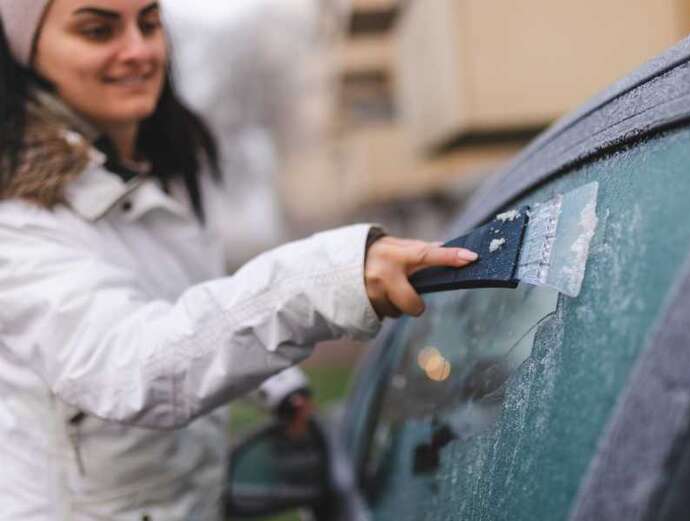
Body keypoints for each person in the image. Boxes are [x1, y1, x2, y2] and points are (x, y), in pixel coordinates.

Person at [0, 0, 479, 519]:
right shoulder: (16, 222)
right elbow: (133, 366)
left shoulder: (148, 178)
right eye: (98, 30)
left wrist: (276, 385)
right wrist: (326, 281)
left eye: (150, 23)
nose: (138, 51)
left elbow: (184, 300)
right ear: (23, 53)